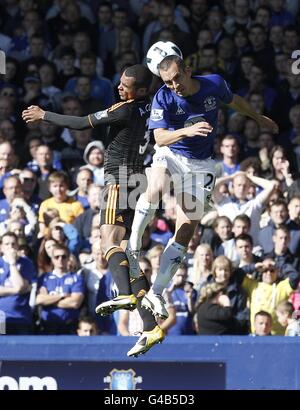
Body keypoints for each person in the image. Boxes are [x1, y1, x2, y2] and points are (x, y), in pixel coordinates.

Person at [22, 64, 164, 357]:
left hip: (119, 180)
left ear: (139, 91)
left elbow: (81, 122)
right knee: (127, 252)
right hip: (137, 180)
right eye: (120, 82)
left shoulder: (125, 110)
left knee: (107, 242)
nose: (120, 88)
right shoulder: (150, 107)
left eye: (126, 86)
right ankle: (150, 326)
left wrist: (43, 115)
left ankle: (123, 293)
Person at [126, 54, 278, 320]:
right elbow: (159, 137)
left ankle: (157, 292)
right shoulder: (163, 96)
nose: (174, 85)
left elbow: (234, 101)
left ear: (187, 70)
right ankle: (134, 244)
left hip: (202, 165)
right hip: (171, 153)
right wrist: (186, 131)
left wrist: (258, 117)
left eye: (176, 78)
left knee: (185, 231)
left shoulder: (213, 84)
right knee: (156, 186)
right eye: (168, 82)